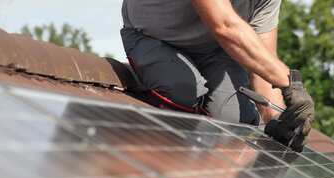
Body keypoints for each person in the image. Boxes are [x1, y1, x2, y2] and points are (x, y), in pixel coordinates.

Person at [121, 0, 315, 151]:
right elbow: (224, 26)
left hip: (213, 49)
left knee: (236, 121)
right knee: (182, 91)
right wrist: (292, 83)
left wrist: (276, 117)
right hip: (152, 34)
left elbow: (264, 63)